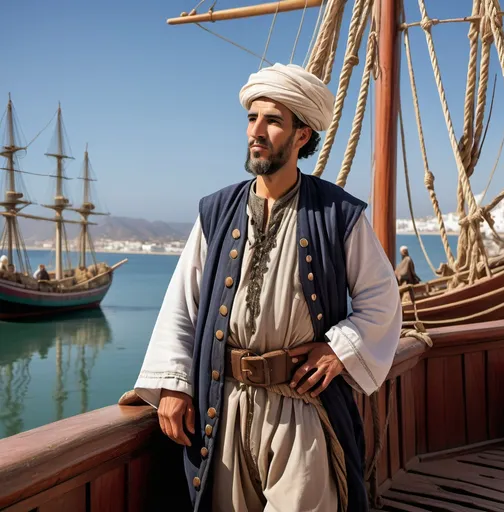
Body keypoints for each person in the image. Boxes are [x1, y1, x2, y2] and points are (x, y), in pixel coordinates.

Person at [134, 63, 402, 512]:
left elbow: (382, 299)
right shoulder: (216, 212)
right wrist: (176, 386)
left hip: (302, 410)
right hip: (225, 408)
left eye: (272, 120)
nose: (255, 131)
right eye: (251, 118)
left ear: (302, 135)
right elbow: (182, 306)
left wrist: (339, 350)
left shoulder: (339, 214)